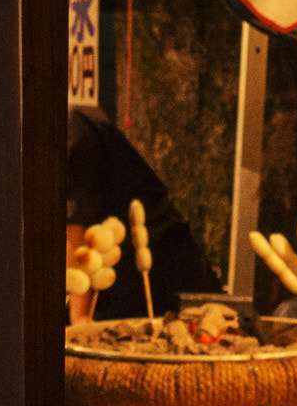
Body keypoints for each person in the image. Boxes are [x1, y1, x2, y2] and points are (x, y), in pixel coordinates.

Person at [66, 104, 219, 322]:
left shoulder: (73, 128)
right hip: (116, 274)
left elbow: (76, 230)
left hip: (161, 268)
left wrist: (79, 316)